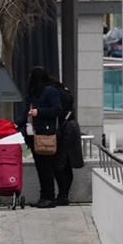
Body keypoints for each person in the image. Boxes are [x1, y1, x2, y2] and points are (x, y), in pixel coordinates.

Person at [25, 66, 72, 208]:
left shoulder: (49, 91)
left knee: (46, 167)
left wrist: (38, 112)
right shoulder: (34, 93)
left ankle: (49, 197)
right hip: (36, 134)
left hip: (48, 135)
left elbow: (57, 109)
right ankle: (44, 196)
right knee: (41, 167)